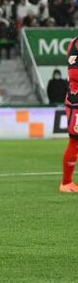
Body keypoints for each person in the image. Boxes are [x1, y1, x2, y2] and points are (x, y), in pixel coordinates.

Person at [60, 38, 78, 193]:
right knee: (75, 141)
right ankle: (66, 183)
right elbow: (74, 73)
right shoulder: (75, 44)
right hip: (76, 100)